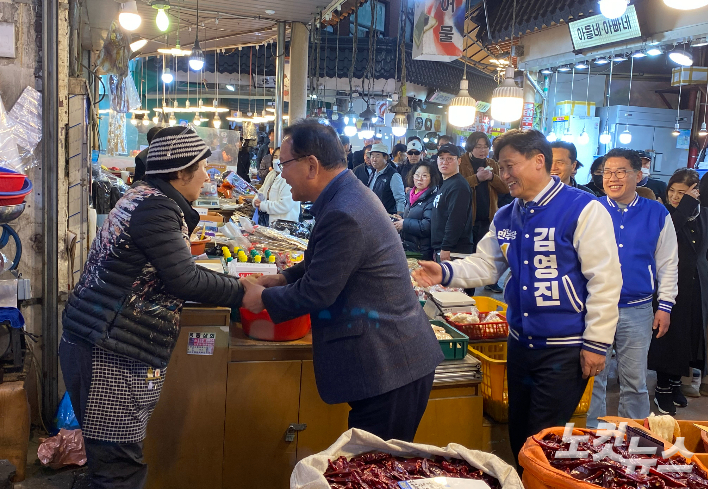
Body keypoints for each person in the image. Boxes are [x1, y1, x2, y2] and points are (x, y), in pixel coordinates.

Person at [413, 129, 622, 463]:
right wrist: (446, 272)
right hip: (520, 343)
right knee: (519, 431)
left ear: (539, 161)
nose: (504, 175)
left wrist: (597, 343)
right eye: (501, 167)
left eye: (510, 166)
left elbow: (605, 280)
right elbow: (488, 263)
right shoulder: (508, 215)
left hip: (564, 348)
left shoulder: (583, 209)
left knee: (542, 439)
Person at [60, 126, 245, 488]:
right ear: (180, 172)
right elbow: (185, 279)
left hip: (97, 338)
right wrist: (244, 291)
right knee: (119, 468)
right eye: (201, 167)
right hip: (110, 350)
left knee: (111, 462)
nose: (207, 176)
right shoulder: (157, 207)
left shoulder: (142, 196)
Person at [240, 120, 443, 441]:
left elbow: (318, 292)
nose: (280, 174)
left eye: (284, 165)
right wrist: (281, 278)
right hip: (389, 360)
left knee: (375, 470)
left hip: (391, 365)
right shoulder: (345, 195)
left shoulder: (344, 211)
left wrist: (261, 299)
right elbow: (327, 262)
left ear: (311, 166)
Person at [587, 148, 678, 427]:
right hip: (595, 308)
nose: (612, 178)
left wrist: (665, 306)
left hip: (638, 310)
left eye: (620, 172)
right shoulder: (591, 210)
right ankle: (593, 438)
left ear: (638, 176)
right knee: (594, 378)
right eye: (607, 172)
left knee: (635, 381)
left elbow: (668, 263)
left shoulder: (657, 212)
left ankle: (636, 442)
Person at [648, 168, 708, 412]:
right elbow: (665, 237)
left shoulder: (705, 215)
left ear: (696, 191)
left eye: (682, 192)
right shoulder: (665, 215)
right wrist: (684, 205)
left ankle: (675, 384)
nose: (675, 196)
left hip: (698, 284)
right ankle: (661, 388)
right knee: (669, 336)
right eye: (672, 191)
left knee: (690, 334)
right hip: (671, 284)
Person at [459, 132, 509, 293]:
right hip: (468, 217)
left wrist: (492, 177)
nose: (482, 150)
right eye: (478, 146)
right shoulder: (462, 162)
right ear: (470, 147)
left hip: (488, 217)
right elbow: (458, 187)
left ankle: (491, 281)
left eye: (485, 147)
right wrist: (477, 178)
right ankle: (468, 289)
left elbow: (505, 188)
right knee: (469, 255)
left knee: (488, 254)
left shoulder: (492, 164)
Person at [430, 144, 474, 261]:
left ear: (459, 161)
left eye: (450, 158)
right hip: (443, 248)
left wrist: (446, 247)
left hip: (454, 251)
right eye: (441, 158)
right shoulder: (446, 183)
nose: (445, 162)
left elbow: (456, 219)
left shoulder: (459, 186)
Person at [394, 160, 440, 260]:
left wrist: (404, 224)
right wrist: (401, 217)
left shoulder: (432, 198)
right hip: (408, 247)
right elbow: (413, 215)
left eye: (424, 176)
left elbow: (427, 226)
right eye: (417, 175)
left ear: (431, 178)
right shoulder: (410, 195)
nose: (419, 179)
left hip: (421, 250)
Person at [252, 146, 301, 225]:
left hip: (285, 226)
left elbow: (284, 205)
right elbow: (261, 190)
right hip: (270, 224)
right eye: (275, 157)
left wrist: (263, 206)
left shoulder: (290, 177)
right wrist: (256, 200)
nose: (277, 160)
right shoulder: (272, 174)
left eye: (280, 157)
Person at [368, 143, 406, 215]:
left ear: (385, 157)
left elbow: (400, 199)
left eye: (377, 156)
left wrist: (399, 217)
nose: (374, 159)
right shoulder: (372, 173)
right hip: (373, 215)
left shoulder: (393, 175)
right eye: (372, 156)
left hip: (387, 216)